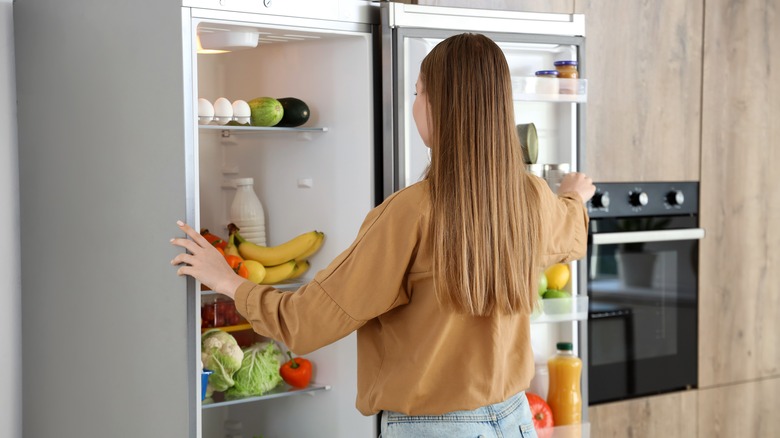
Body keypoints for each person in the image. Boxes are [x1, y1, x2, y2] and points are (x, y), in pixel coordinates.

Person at [172, 33, 594, 438]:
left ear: (438, 106)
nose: (414, 107)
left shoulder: (410, 214)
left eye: (417, 93)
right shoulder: (533, 197)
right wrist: (574, 197)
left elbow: (305, 323)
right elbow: (573, 237)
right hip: (516, 421)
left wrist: (226, 280)